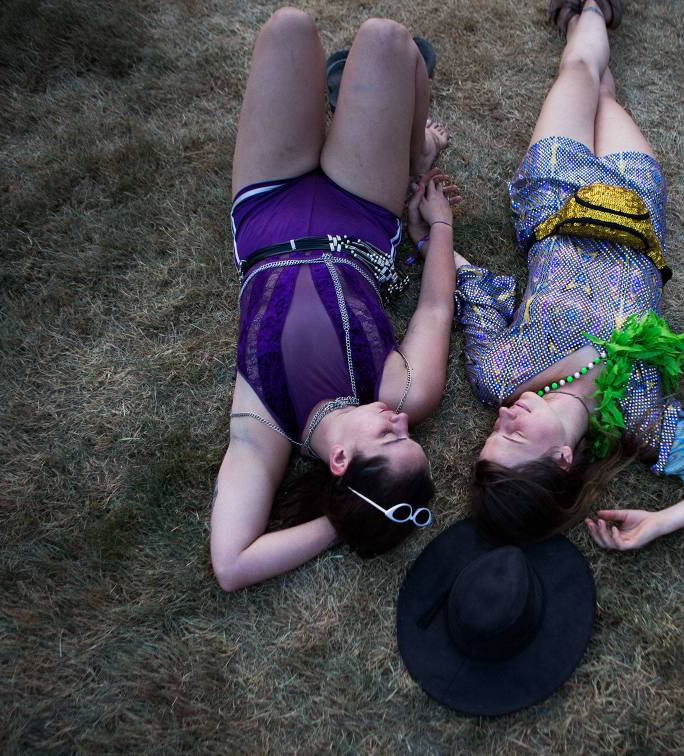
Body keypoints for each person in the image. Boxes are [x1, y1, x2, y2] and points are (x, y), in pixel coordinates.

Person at [454, 0, 684, 551]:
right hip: (634, 207)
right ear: (562, 458)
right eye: (513, 435)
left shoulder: (497, 377)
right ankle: (583, 16)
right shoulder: (640, 421)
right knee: (603, 94)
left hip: (555, 195)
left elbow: (475, 289)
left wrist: (430, 233)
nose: (504, 416)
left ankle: (588, 11)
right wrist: (661, 521)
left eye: (493, 431)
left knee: (579, 69)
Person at [210, 8, 459, 591]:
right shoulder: (401, 392)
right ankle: (417, 152)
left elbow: (232, 565)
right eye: (410, 435)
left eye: (392, 439)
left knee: (289, 27)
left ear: (341, 461)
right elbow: (434, 309)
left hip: (268, 212)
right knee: (387, 40)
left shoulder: (266, 425)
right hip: (358, 214)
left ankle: (359, 121)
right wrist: (441, 226)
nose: (402, 422)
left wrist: (346, 519)